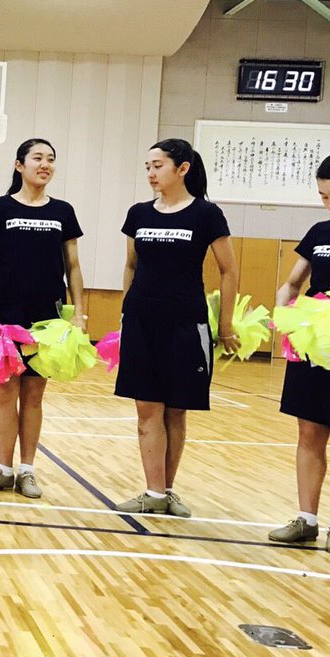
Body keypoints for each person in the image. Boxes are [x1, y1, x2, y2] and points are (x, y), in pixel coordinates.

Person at [114, 139, 239, 516]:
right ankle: (152, 493)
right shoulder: (138, 213)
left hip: (186, 322)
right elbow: (132, 265)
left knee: (176, 410)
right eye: (148, 167)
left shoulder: (206, 215)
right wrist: (126, 309)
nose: (151, 174)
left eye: (158, 166)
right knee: (146, 408)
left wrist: (227, 324)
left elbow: (229, 270)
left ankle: (167, 490)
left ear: (182, 168)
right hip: (141, 320)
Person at [0, 139, 85, 499]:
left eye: (51, 159)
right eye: (38, 158)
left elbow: (73, 265)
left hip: (47, 317)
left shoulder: (64, 211)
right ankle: (3, 469)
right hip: (6, 313)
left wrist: (80, 312)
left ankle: (27, 470)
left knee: (34, 395)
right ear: (19, 165)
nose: (45, 164)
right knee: (5, 391)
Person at [268, 153, 330, 552]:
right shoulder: (319, 231)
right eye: (325, 195)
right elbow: (292, 283)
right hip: (314, 345)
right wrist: (286, 317)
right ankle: (306, 518)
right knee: (309, 431)